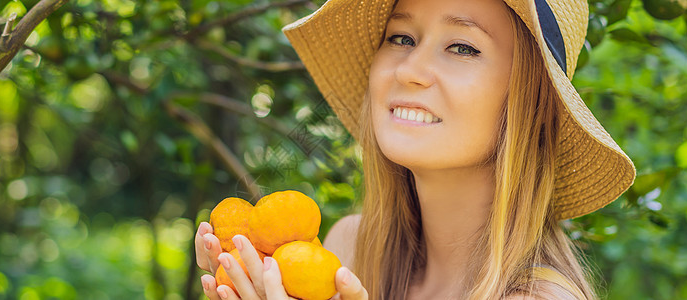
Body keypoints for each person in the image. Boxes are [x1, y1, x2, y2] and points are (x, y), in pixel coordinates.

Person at [194, 0, 636, 298]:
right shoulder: (348, 248)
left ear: (533, 104)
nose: (410, 69)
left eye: (462, 47)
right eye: (401, 38)